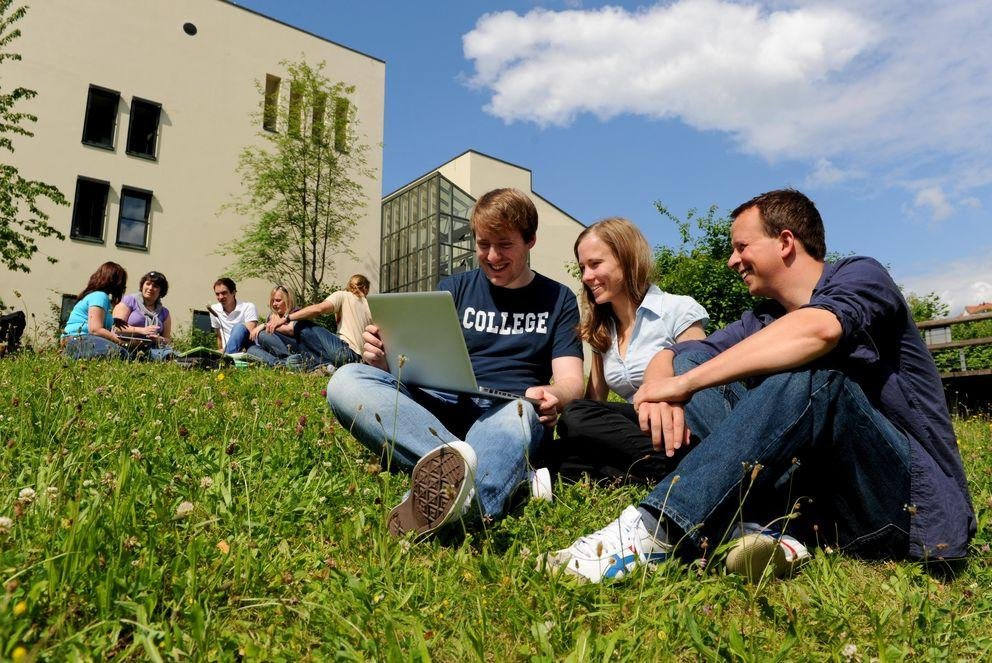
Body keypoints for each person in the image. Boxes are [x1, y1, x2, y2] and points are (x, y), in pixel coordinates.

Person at [548, 189, 975, 583]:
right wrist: (663, 386)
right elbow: (680, 354)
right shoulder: (762, 318)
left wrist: (686, 384)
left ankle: (653, 531)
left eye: (741, 247)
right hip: (814, 510)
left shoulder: (860, 276)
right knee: (698, 357)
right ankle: (762, 527)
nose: (733, 261)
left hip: (903, 502)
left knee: (816, 377)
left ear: (785, 241)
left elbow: (818, 332)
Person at [327, 188, 585, 540]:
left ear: (531, 241)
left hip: (508, 409)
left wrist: (555, 393)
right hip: (438, 403)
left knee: (520, 416)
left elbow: (572, 380)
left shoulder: (559, 298)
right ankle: (503, 474)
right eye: (482, 244)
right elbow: (419, 357)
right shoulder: (455, 288)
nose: (492, 256)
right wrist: (385, 360)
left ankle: (441, 501)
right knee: (346, 380)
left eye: (504, 245)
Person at [547, 217, 707, 484]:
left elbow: (703, 383)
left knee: (574, 417)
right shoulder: (602, 329)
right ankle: (649, 471)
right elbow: (593, 403)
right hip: (635, 433)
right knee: (563, 435)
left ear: (626, 258)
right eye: (583, 268)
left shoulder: (677, 309)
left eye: (595, 264)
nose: (587, 277)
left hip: (679, 426)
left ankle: (681, 468)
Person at [265, 274, 372, 370]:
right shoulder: (370, 306)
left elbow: (318, 309)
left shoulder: (343, 295)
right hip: (357, 361)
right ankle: (327, 367)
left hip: (345, 353)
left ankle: (321, 364)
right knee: (295, 359)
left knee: (301, 324)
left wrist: (286, 318)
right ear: (366, 288)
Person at [61, 262, 131, 359]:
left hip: (75, 340)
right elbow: (95, 329)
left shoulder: (95, 295)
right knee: (122, 354)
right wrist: (123, 343)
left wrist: (113, 320)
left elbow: (92, 318)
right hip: (79, 339)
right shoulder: (100, 296)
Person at [113, 271, 173, 357]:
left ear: (161, 291)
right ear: (142, 285)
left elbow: (167, 340)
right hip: (126, 347)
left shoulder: (164, 312)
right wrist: (142, 330)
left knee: (171, 356)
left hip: (152, 350)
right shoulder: (129, 301)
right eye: (148, 284)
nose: (150, 288)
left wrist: (158, 339)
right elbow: (117, 328)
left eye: (155, 286)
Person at [247, 284, 301, 365]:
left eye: (278, 300)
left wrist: (265, 325)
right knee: (251, 349)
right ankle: (280, 364)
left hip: (293, 348)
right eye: (273, 301)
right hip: (275, 351)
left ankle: (287, 357)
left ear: (288, 300)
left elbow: (290, 330)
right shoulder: (272, 316)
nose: (274, 304)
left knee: (262, 334)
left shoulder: (296, 313)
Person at [208, 278, 260, 354]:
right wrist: (219, 352)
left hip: (246, 349)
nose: (220, 297)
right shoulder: (214, 310)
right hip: (227, 351)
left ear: (233, 292)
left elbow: (250, 335)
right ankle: (225, 357)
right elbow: (219, 336)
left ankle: (226, 357)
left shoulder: (248, 307)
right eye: (217, 294)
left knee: (239, 327)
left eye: (224, 293)